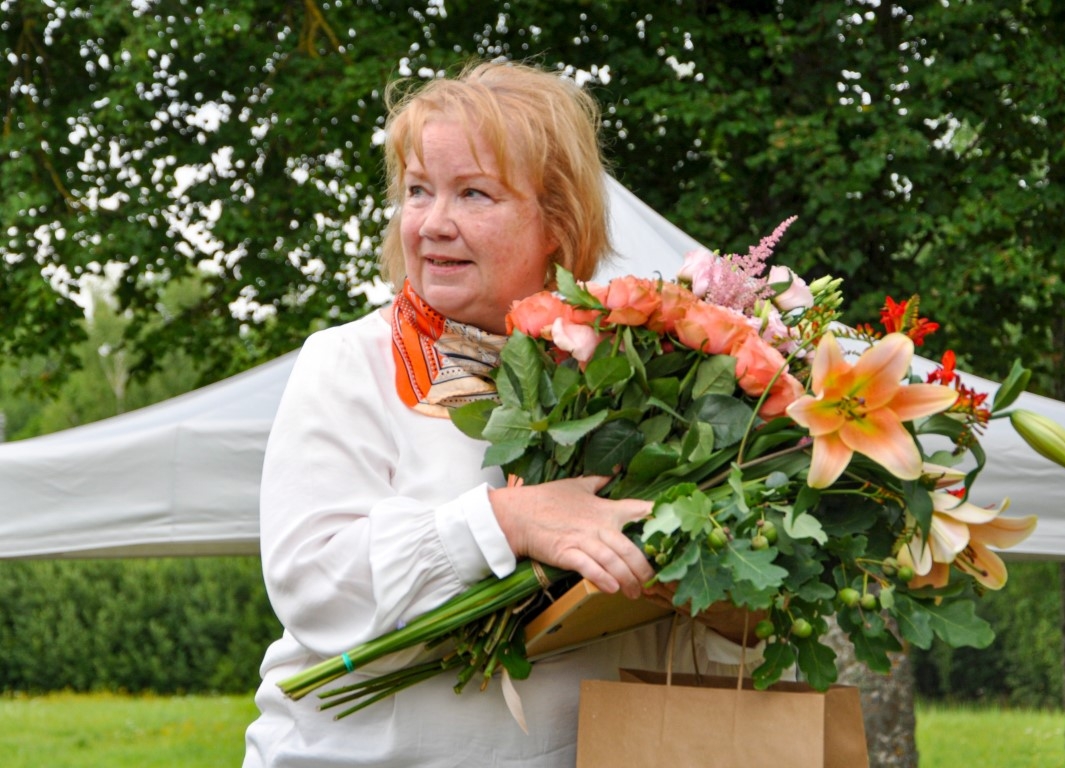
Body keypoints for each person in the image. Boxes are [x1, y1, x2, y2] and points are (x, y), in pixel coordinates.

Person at [243, 60, 755, 768]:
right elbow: (315, 587)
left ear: (557, 222)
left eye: (473, 194)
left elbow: (651, 638)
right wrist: (508, 522)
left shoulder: (633, 375)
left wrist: (729, 611)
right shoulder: (348, 362)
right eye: (418, 191)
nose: (432, 223)